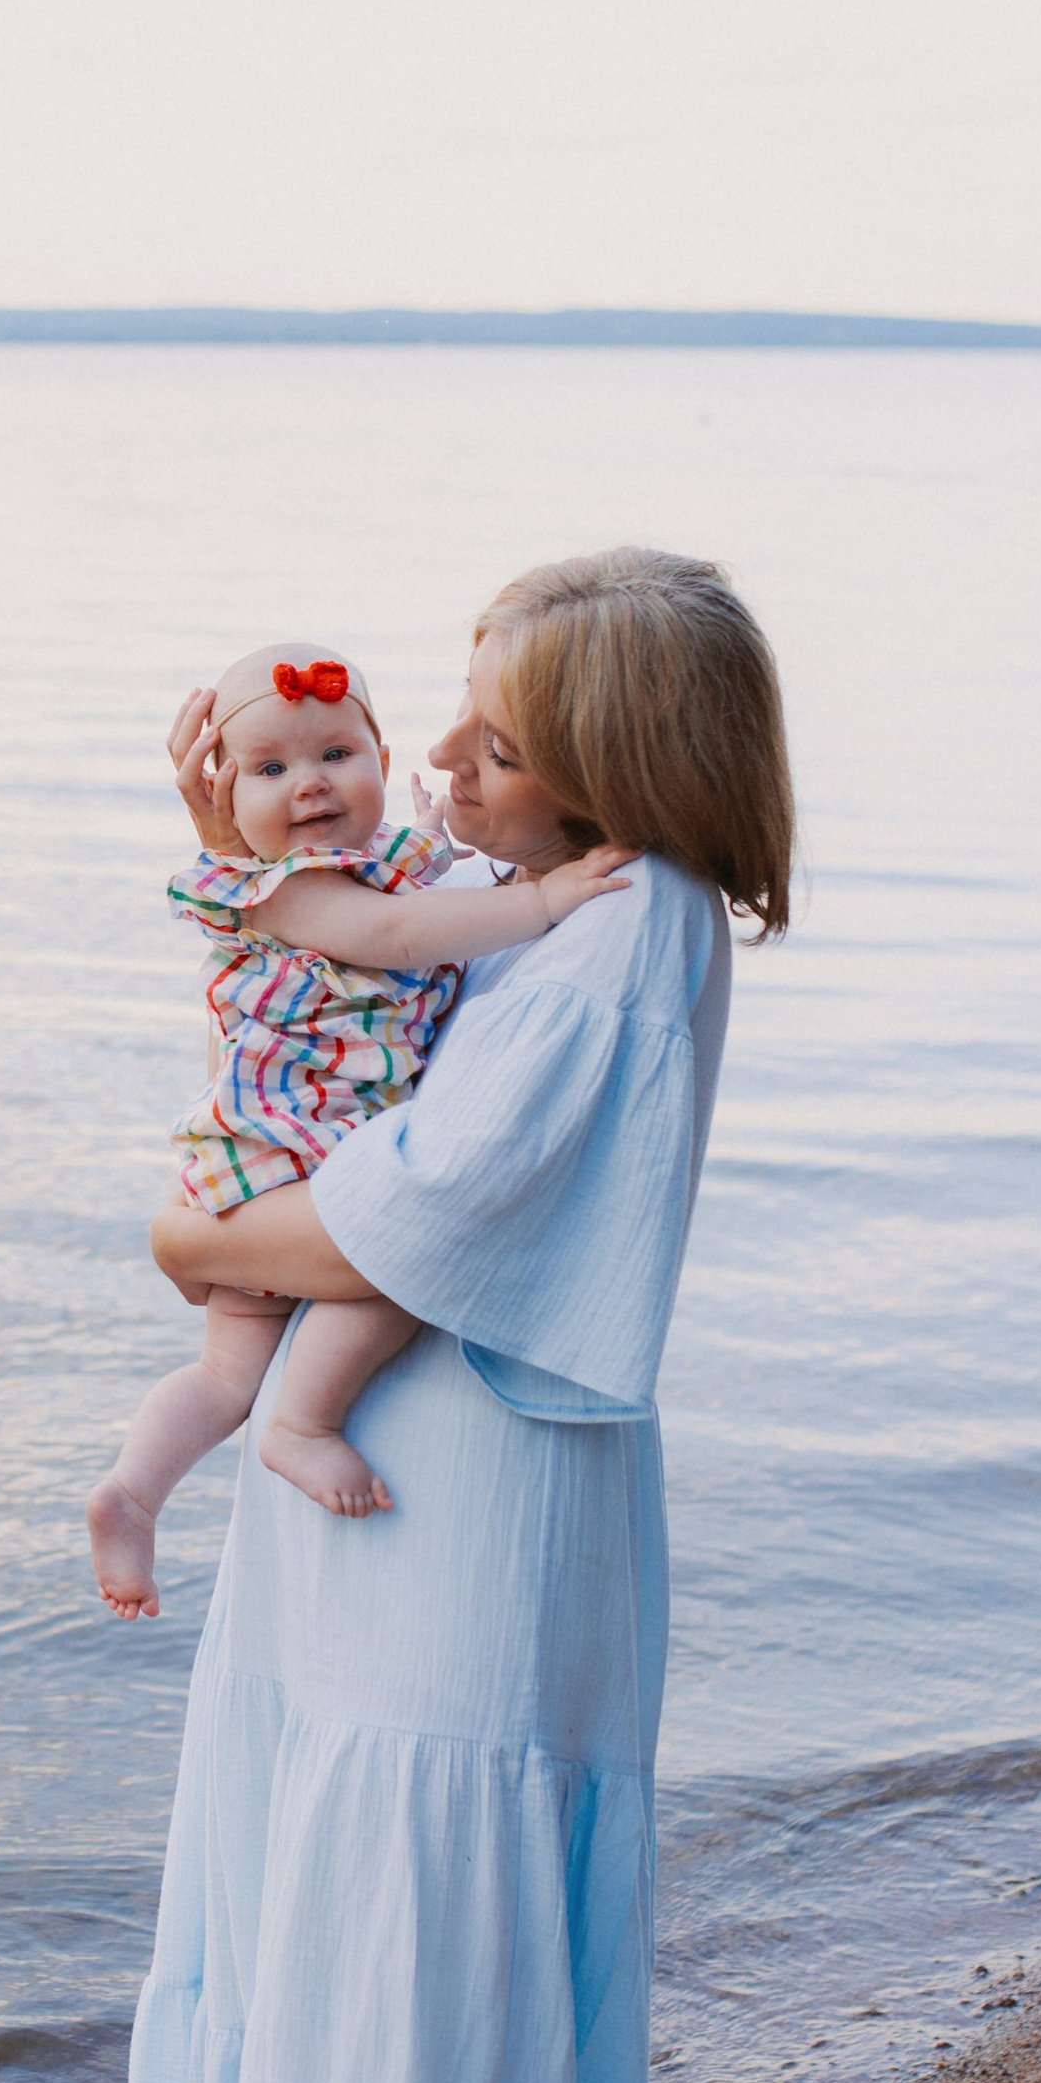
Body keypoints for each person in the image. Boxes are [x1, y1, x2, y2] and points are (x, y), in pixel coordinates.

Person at [117, 546, 793, 2083]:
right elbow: (343, 1012)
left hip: (469, 1549)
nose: (437, 763)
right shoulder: (564, 919)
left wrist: (190, 1238)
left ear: (607, 770)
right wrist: (228, 808)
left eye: (492, 741)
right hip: (402, 1531)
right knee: (364, 2022)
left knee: (449, 2054)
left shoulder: (615, 936)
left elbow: (397, 1211)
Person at [86, 639, 632, 1622]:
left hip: (274, 1150)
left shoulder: (369, 864)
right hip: (299, 1143)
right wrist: (542, 901)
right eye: (269, 769)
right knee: (401, 1270)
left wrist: (437, 838)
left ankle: (134, 1490)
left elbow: (410, 888)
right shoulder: (276, 890)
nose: (308, 787)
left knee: (223, 1371)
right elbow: (400, 936)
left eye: (335, 755)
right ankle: (298, 1425)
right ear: (224, 795)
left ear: (381, 756)